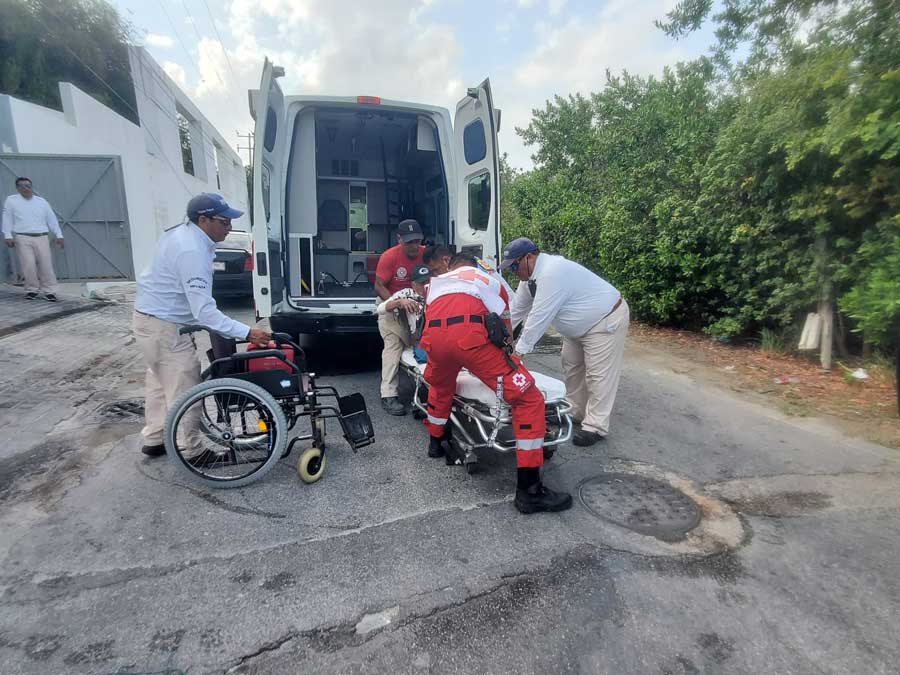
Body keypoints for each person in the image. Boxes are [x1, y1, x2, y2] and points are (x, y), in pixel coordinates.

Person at [420, 260, 573, 514]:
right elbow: (504, 326)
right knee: (529, 399)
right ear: (476, 267)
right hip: (469, 338)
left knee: (441, 385)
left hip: (433, 340)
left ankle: (436, 443)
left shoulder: (437, 283)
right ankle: (530, 491)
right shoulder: (488, 280)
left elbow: (431, 318)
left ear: (452, 267)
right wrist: (508, 358)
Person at [132, 193, 271, 457]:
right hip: (164, 327)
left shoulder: (181, 237)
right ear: (203, 219)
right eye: (223, 222)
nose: (229, 228)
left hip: (150, 321)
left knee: (161, 384)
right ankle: (191, 451)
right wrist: (248, 331)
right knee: (184, 387)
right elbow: (205, 313)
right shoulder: (191, 250)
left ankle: (156, 437)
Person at [500, 237, 629, 447]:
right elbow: (515, 312)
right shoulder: (529, 281)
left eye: (514, 265)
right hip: (577, 328)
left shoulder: (552, 272)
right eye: (510, 267)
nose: (513, 271)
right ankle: (575, 411)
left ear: (529, 257)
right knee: (571, 366)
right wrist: (499, 336)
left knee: (599, 375)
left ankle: (595, 426)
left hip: (604, 320)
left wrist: (518, 353)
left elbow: (538, 318)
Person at [374, 219, 425, 415]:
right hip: (391, 303)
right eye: (408, 242)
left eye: (416, 241)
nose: (413, 246)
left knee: (421, 345)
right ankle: (388, 395)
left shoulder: (425, 254)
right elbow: (379, 286)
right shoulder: (389, 257)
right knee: (393, 345)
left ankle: (425, 392)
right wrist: (397, 304)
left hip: (418, 304)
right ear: (399, 239)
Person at [2, 177, 64, 301]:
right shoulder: (11, 201)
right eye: (22, 186)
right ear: (17, 188)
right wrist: (7, 235)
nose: (26, 188)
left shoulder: (41, 202)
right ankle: (32, 289)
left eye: (28, 185)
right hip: (22, 237)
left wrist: (59, 235)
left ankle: (49, 291)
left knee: (46, 265)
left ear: (32, 187)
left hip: (41, 237)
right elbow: (7, 218)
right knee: (28, 264)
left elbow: (51, 219)